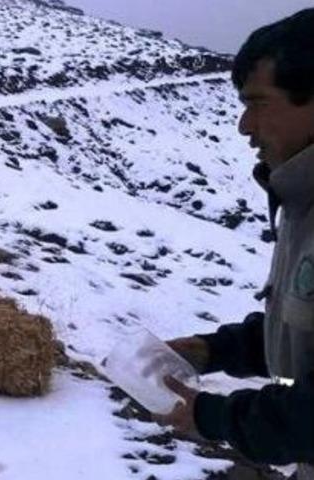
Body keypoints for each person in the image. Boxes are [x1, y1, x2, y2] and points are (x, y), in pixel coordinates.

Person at [154, 9, 314, 479]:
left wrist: (214, 417)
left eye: (259, 103)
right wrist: (214, 349)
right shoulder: (301, 197)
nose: (244, 126)